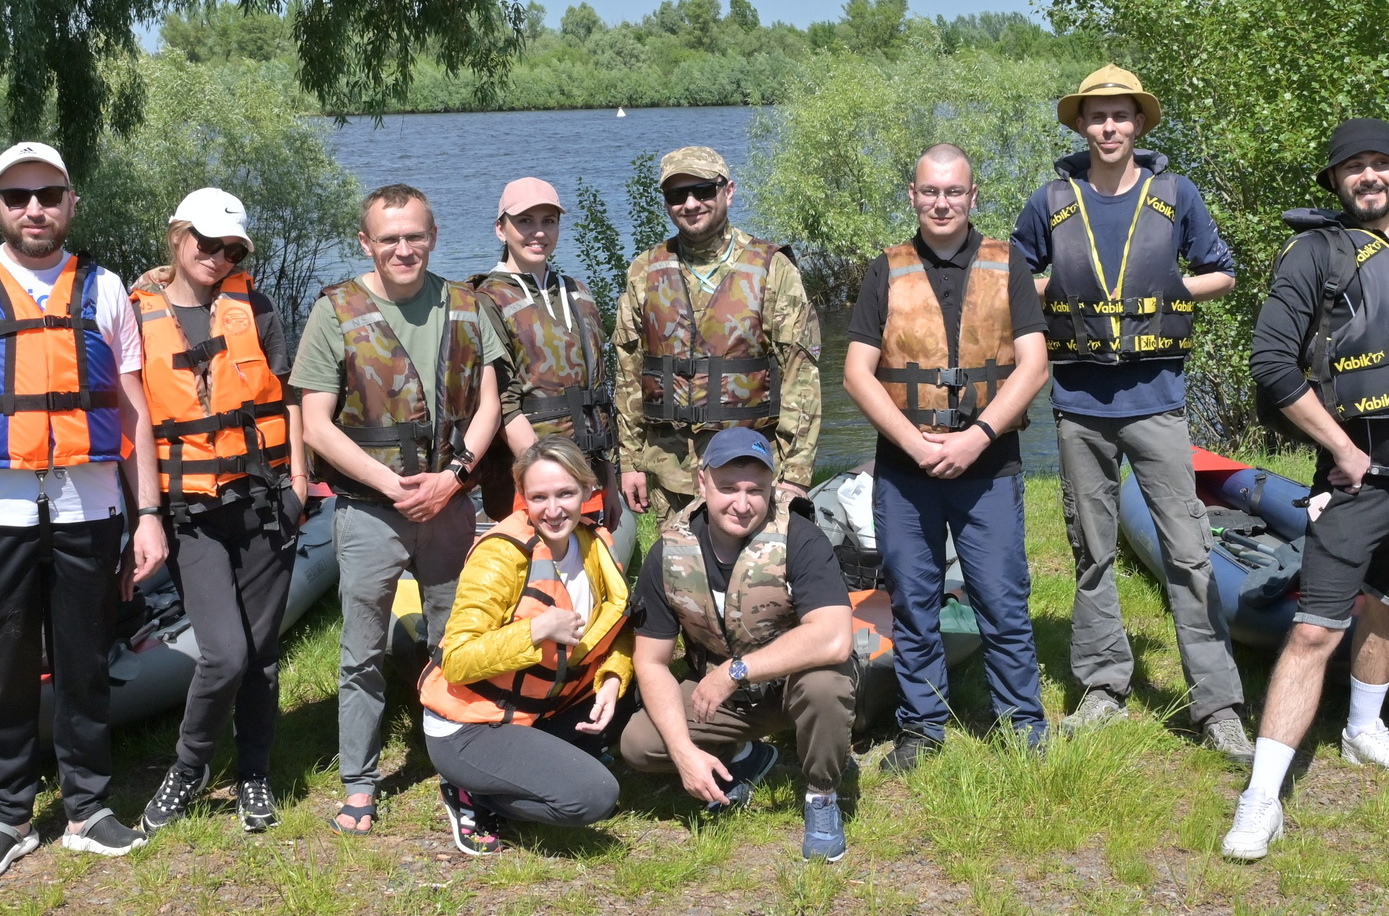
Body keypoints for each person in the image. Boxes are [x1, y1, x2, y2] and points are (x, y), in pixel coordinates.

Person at [0, 141, 168, 879]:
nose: (34, 209)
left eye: (48, 193)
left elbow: (134, 411)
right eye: (17, 196)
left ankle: (87, 807)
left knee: (85, 660)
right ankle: (11, 813)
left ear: (71, 201)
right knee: (5, 664)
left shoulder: (105, 289)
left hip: (90, 506)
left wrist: (149, 514)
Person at [1226, 119, 1389, 862]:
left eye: (1380, 165)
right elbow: (1271, 363)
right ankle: (1261, 798)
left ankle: (1363, 729)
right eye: (1353, 167)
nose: (1369, 177)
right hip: (1360, 472)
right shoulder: (1312, 254)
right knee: (1314, 631)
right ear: (1334, 181)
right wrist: (1341, 449)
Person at [1010, 66, 1248, 753]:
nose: (1109, 128)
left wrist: (1176, 291)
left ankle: (1217, 703)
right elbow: (1016, 275)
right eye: (1097, 116)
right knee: (1091, 548)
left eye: (1121, 116)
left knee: (1187, 549)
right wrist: (1042, 290)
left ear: (1139, 124)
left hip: (1157, 399)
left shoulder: (1177, 195)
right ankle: (1103, 686)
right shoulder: (1050, 200)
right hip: (1080, 401)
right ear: (1081, 125)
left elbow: (1223, 270)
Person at [292, 184, 504, 836]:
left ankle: (462, 767)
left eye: (414, 236)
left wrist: (453, 476)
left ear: (433, 235)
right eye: (389, 239)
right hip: (368, 511)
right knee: (361, 652)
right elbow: (316, 424)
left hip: (448, 502)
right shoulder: (335, 311)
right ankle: (359, 782)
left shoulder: (468, 306)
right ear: (367, 243)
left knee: (457, 641)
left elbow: (490, 402)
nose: (403, 248)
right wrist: (391, 483)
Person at [842, 144, 1054, 770]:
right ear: (913, 195)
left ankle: (1022, 725)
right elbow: (858, 373)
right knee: (914, 599)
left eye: (953, 192)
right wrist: (915, 444)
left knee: (1001, 598)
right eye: (930, 192)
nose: (941, 203)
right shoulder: (885, 270)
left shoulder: (1007, 263)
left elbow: (1034, 364)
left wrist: (976, 437)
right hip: (907, 471)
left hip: (988, 464)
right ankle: (922, 728)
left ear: (972, 196)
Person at [128, 188, 309, 838]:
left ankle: (255, 772)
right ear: (178, 237)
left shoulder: (254, 306)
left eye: (231, 247)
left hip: (263, 501)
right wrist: (143, 509)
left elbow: (288, 395)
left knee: (261, 651)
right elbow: (132, 415)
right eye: (207, 242)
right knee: (224, 653)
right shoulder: (135, 312)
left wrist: (299, 483)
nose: (218, 255)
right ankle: (190, 766)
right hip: (191, 511)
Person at [618, 427, 857, 862]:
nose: (742, 504)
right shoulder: (669, 552)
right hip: (723, 700)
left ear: (771, 489)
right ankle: (744, 757)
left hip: (792, 685)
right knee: (640, 743)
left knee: (827, 687)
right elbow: (651, 662)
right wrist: (683, 752)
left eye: (755, 490)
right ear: (702, 483)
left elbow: (836, 636)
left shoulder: (800, 538)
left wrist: (734, 671)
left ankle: (822, 796)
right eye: (728, 488)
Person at [422, 437, 634, 855]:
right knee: (595, 797)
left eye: (565, 494)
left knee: (630, 694)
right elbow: (459, 661)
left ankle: (529, 766)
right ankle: (470, 794)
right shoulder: (501, 556)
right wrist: (535, 631)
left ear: (588, 492)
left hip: (538, 706)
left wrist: (612, 678)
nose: (553, 510)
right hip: (470, 726)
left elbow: (619, 628)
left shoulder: (595, 544)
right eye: (538, 497)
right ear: (523, 497)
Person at [614, 147, 821, 518]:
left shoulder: (772, 268)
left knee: (753, 576)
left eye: (704, 190)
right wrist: (629, 460)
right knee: (680, 575)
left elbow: (800, 377)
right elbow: (629, 371)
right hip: (670, 474)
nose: (691, 203)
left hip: (750, 473)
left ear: (729, 191)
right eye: (678, 195)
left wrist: (796, 473)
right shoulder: (644, 271)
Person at [473, 177, 618, 522]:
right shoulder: (486, 300)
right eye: (525, 221)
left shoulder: (576, 291)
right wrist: (552, 482)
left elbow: (597, 392)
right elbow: (502, 404)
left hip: (589, 468)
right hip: (535, 481)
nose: (538, 232)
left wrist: (607, 477)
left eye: (548, 221)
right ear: (500, 229)